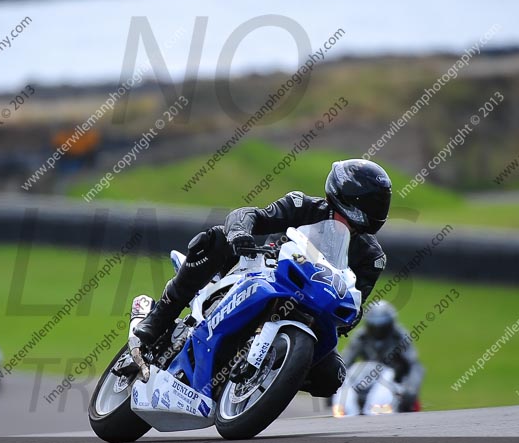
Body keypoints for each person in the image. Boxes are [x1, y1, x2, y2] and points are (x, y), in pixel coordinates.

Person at [133, 159, 392, 397]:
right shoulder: (302, 206)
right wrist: (239, 233)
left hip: (310, 307)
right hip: (260, 271)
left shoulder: (372, 258)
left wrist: (346, 319)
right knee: (215, 239)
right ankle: (159, 318)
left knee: (332, 377)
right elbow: (250, 215)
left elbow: (354, 305)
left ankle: (272, 376)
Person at [342, 300, 424, 412]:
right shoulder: (361, 337)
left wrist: (411, 389)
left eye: (382, 328)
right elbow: (345, 362)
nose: (378, 332)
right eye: (374, 327)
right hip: (368, 381)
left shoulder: (400, 337)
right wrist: (335, 385)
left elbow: (414, 365)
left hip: (396, 383)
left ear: (390, 325)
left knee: (410, 406)